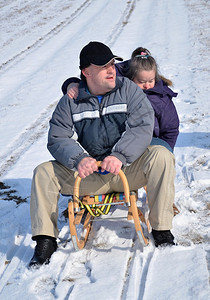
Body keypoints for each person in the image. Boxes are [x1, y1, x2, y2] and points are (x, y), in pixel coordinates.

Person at [29, 41, 176, 268]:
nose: (111, 70)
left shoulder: (127, 89)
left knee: (161, 155)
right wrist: (79, 159)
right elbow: (57, 137)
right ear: (86, 72)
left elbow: (143, 126)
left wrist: (119, 155)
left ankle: (162, 229)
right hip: (90, 177)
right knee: (43, 172)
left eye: (112, 64)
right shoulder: (70, 100)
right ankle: (45, 241)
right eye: (103, 66)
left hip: (125, 170)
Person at [62, 47, 179, 152]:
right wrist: (71, 83)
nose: (147, 86)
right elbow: (93, 80)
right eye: (142, 82)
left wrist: (166, 152)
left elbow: (171, 129)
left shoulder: (161, 99)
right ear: (131, 78)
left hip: (149, 143)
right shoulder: (121, 86)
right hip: (118, 144)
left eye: (151, 81)